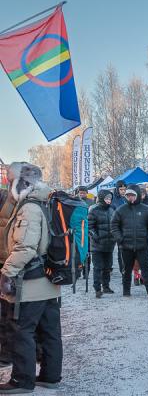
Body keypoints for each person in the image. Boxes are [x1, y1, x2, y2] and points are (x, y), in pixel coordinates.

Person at [0, 162, 62, 393]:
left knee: (22, 330)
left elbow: (25, 248)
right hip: (49, 280)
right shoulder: (47, 201)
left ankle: (21, 381)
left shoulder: (29, 207)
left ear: (20, 183)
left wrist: (6, 272)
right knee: (50, 331)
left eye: (10, 180)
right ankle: (50, 376)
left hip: (32, 281)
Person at [111, 185, 148, 298]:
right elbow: (114, 225)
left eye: (132, 195)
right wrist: (119, 238)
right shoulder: (121, 210)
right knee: (126, 269)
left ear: (137, 195)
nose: (130, 197)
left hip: (143, 245)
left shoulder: (146, 209)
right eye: (128, 195)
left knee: (146, 269)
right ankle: (126, 291)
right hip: (126, 245)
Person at [88, 189, 116, 298]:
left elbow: (115, 225)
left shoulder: (112, 210)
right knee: (98, 267)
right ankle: (97, 288)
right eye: (106, 198)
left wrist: (115, 236)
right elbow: (90, 227)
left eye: (110, 198)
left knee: (107, 267)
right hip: (97, 245)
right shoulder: (94, 210)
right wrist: (95, 236)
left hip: (109, 244)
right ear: (101, 198)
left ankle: (106, 286)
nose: (108, 200)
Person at [0, 189, 16, 368]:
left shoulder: (12, 202)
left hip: (9, 266)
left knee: (8, 312)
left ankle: (7, 354)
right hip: (7, 264)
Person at [111, 180, 127, 274]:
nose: (123, 191)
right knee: (110, 249)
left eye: (124, 189)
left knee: (122, 250)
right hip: (115, 227)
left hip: (126, 227)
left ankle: (123, 270)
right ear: (117, 189)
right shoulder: (113, 200)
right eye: (121, 189)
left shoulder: (127, 198)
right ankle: (108, 268)